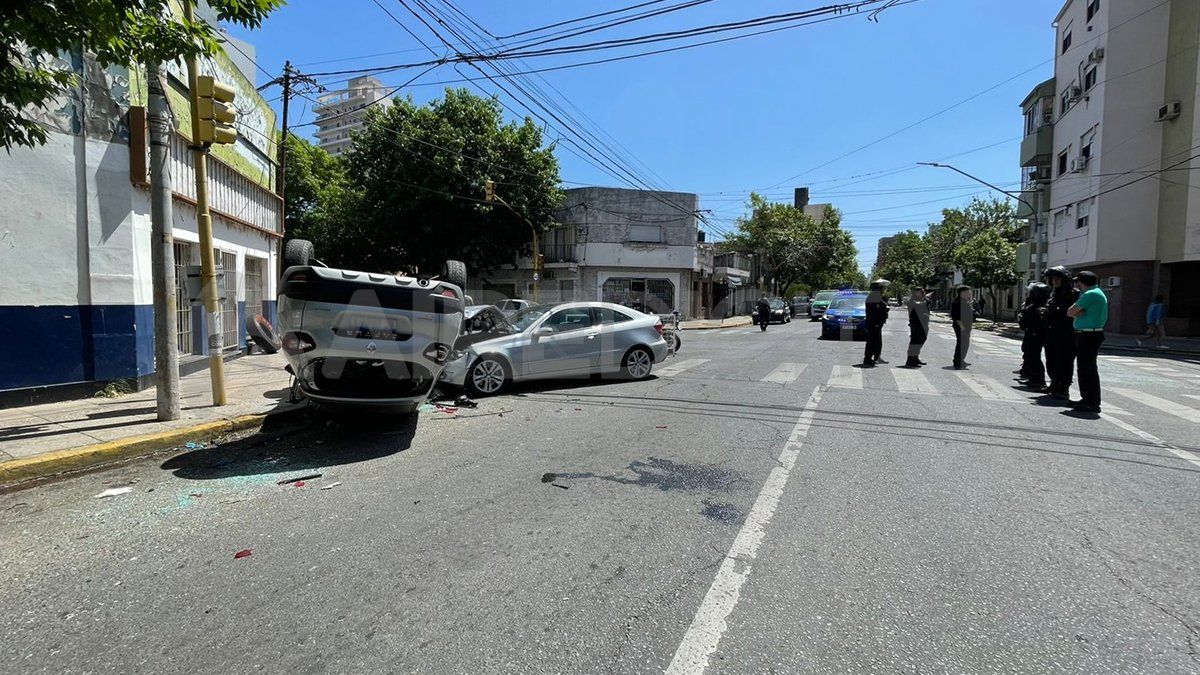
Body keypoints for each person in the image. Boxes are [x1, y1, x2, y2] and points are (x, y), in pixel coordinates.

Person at [1067, 271, 1108, 413]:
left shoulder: (1090, 294)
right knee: (1086, 369)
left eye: (1077, 282)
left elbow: (1070, 312)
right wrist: (1080, 312)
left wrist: (1079, 312)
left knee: (1087, 370)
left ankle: (1091, 402)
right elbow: (1077, 312)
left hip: (1089, 335)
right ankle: (1087, 399)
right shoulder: (1096, 292)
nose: (1076, 284)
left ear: (1082, 282)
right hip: (1090, 334)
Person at [1041, 266, 1079, 399]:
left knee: (1065, 362)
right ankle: (1054, 384)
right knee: (1051, 360)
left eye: (1057, 278)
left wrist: (1057, 312)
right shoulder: (1054, 294)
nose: (1055, 281)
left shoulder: (1073, 294)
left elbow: (1071, 312)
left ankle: (1064, 389)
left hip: (1066, 334)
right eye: (1053, 279)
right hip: (1052, 333)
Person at [1017, 282, 1050, 388]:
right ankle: (1032, 377)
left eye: (1031, 292)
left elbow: (1029, 319)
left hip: (1036, 334)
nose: (1029, 294)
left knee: (1034, 356)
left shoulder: (1040, 306)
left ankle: (1038, 379)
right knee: (1029, 355)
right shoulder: (1032, 304)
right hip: (1031, 333)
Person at [862, 279, 890, 367]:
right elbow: (875, 311)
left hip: (877, 323)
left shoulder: (877, 296)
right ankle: (868, 358)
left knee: (877, 342)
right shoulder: (873, 296)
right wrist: (877, 322)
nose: (883, 289)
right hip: (873, 323)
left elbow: (882, 305)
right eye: (881, 287)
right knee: (872, 341)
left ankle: (877, 357)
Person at [904, 287, 930, 368]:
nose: (923, 292)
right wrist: (926, 298)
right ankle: (910, 360)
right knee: (915, 341)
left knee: (921, 340)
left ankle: (915, 358)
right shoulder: (912, 301)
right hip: (916, 325)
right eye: (921, 291)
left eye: (923, 291)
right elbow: (920, 305)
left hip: (923, 324)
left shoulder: (922, 300)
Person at [949, 285, 973, 369]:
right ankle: (957, 362)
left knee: (965, 344)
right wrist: (962, 327)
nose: (969, 294)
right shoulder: (957, 302)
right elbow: (955, 316)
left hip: (965, 326)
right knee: (962, 344)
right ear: (962, 293)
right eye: (968, 292)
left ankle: (960, 360)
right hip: (961, 326)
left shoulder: (965, 301)